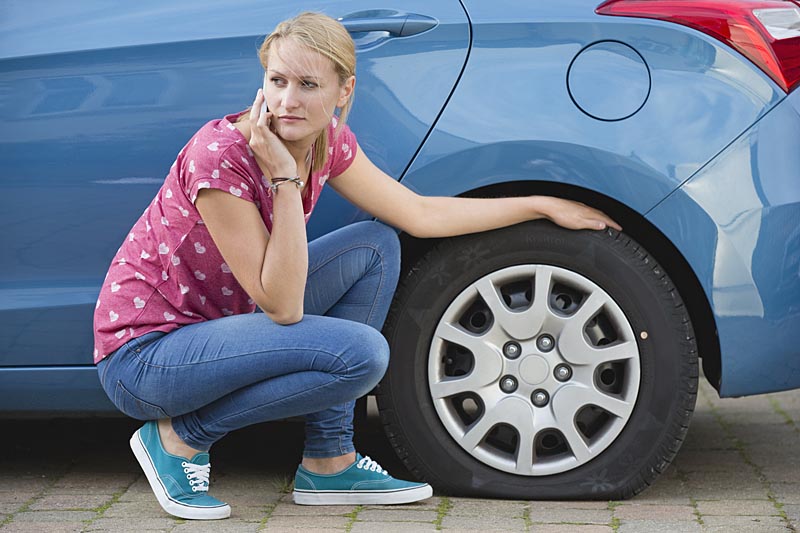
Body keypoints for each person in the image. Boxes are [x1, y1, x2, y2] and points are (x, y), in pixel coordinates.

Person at [92, 11, 621, 521]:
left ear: (343, 92)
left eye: (307, 85)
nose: (286, 101)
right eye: (276, 80)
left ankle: (330, 461)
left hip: (223, 331)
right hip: (149, 358)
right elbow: (282, 304)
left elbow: (418, 213)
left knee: (375, 245)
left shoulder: (328, 143)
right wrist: (283, 179)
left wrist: (540, 205)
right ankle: (179, 437)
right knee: (362, 356)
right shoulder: (222, 155)